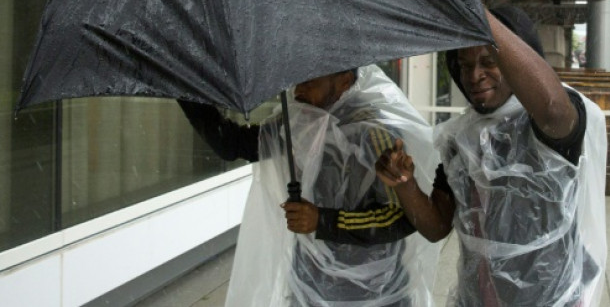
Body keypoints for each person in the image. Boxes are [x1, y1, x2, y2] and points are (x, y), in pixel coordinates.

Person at [375, 0, 608, 307]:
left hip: (549, 298)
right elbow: (437, 226)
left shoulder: (548, 126)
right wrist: (404, 184)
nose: (474, 75)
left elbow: (550, 107)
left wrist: (476, 9)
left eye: (489, 61)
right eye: (464, 64)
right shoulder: (460, 138)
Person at [179, 65, 439, 307]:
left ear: (344, 81)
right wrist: (182, 81)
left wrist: (322, 221)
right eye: (295, 81)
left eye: (309, 81)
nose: (297, 90)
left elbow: (402, 217)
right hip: (312, 288)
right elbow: (232, 143)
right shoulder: (298, 125)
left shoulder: (375, 133)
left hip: (373, 294)